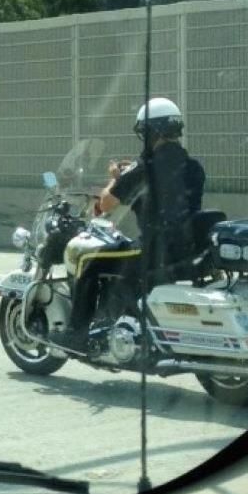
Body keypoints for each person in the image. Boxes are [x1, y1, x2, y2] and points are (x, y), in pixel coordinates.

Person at [49, 97, 205, 354]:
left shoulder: (145, 167)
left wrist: (116, 178)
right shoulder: (194, 167)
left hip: (153, 250)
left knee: (89, 263)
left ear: (152, 132)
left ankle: (76, 335)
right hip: (185, 251)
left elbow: (107, 203)